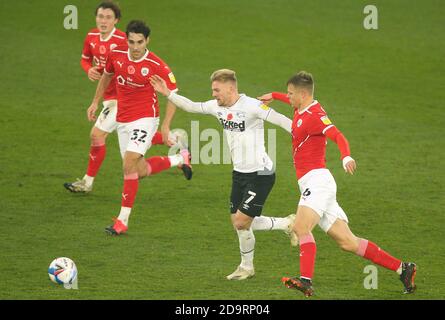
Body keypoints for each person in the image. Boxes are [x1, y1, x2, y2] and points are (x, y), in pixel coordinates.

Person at [258, 71, 417, 296]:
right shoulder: (300, 108)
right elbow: (287, 100)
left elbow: (338, 136)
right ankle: (403, 268)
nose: (289, 96)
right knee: (348, 242)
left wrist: (346, 156)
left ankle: (305, 281)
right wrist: (274, 95)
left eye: (291, 93)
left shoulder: (315, 115)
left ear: (303, 94)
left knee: (301, 228)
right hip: (313, 184)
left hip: (318, 182)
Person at [150, 69, 298, 280]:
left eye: (217, 90)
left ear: (231, 88)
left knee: (241, 221)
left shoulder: (252, 106)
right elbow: (191, 106)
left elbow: (282, 120)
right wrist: (167, 93)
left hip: (261, 173)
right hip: (239, 173)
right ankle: (254, 260)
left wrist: (306, 136)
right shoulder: (216, 107)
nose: (213, 94)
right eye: (213, 90)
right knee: (240, 223)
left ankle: (282, 230)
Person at [87, 20, 192, 235]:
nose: (135, 47)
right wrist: (95, 102)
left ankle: (122, 221)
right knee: (139, 170)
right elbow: (107, 75)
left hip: (145, 118)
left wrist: (165, 125)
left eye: (140, 42)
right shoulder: (116, 55)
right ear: (126, 40)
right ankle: (180, 158)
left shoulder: (157, 65)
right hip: (123, 120)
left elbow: (173, 96)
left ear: (147, 41)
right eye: (132, 42)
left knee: (128, 164)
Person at [64, 1, 178, 194]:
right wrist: (89, 72)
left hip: (122, 100)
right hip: (110, 99)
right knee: (136, 165)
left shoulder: (122, 42)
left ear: (116, 20)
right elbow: (87, 60)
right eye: (100, 16)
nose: (103, 21)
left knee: (97, 135)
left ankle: (88, 183)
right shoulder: (91, 36)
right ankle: (176, 145)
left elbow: (126, 71)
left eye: (108, 17)